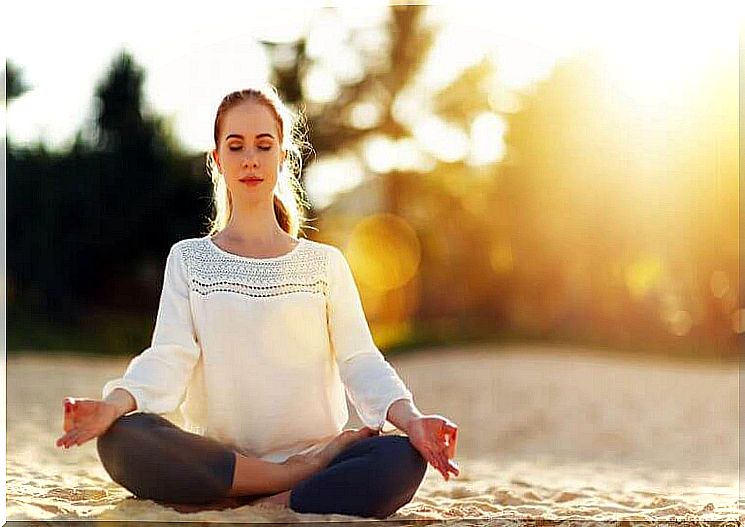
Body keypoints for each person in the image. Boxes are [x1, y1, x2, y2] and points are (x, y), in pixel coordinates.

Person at [55, 86, 459, 519]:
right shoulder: (189, 259)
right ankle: (290, 480)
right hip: (222, 459)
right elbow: (169, 356)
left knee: (401, 458)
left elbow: (360, 359)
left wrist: (414, 421)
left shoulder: (324, 264)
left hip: (310, 454)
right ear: (217, 160)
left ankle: (276, 486)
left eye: (264, 146)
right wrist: (112, 406)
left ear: (283, 156)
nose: (250, 159)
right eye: (236, 146)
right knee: (122, 438)